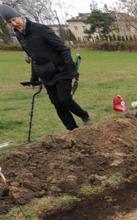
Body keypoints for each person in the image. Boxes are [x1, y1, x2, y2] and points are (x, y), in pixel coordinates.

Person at [1, 3, 91, 131]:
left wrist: (72, 69)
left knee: (64, 99)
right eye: (10, 22)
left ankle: (84, 116)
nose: (14, 24)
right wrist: (33, 78)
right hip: (45, 75)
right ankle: (73, 130)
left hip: (61, 70)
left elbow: (63, 49)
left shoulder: (40, 29)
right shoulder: (19, 36)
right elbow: (33, 57)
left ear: (20, 16)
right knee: (58, 105)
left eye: (14, 19)